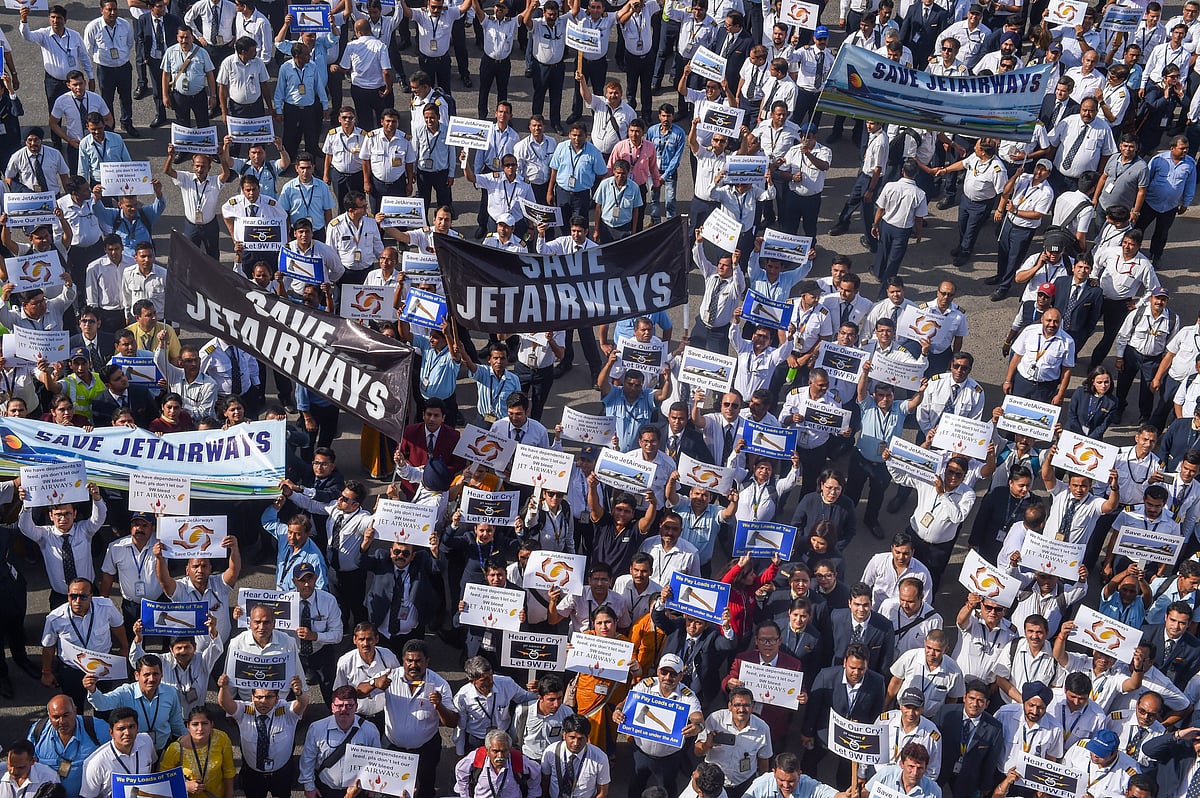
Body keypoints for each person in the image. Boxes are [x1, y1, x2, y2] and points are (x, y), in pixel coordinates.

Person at [217, 673, 310, 798]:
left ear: (277, 698)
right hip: (253, 775)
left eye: (269, 697)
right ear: (252, 697)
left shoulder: (286, 712)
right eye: (259, 697)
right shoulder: (244, 711)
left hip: (281, 774)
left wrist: (299, 693)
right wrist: (224, 687)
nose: (263, 701)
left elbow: (303, 704)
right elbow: (225, 703)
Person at [298, 685, 383, 797]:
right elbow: (307, 760)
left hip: (357, 791)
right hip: (325, 790)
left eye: (349, 705)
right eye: (339, 706)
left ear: (356, 707)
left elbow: (377, 762)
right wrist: (309, 787)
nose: (344, 710)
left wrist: (372, 788)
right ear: (332, 707)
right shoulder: (317, 728)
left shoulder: (370, 730)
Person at [157, 706, 237, 798]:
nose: (200, 728)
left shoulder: (221, 738)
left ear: (212, 724)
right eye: (195, 724)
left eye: (205, 723)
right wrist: (185, 786)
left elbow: (228, 771)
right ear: (188, 726)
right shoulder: (176, 749)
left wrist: (229, 795)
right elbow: (163, 780)